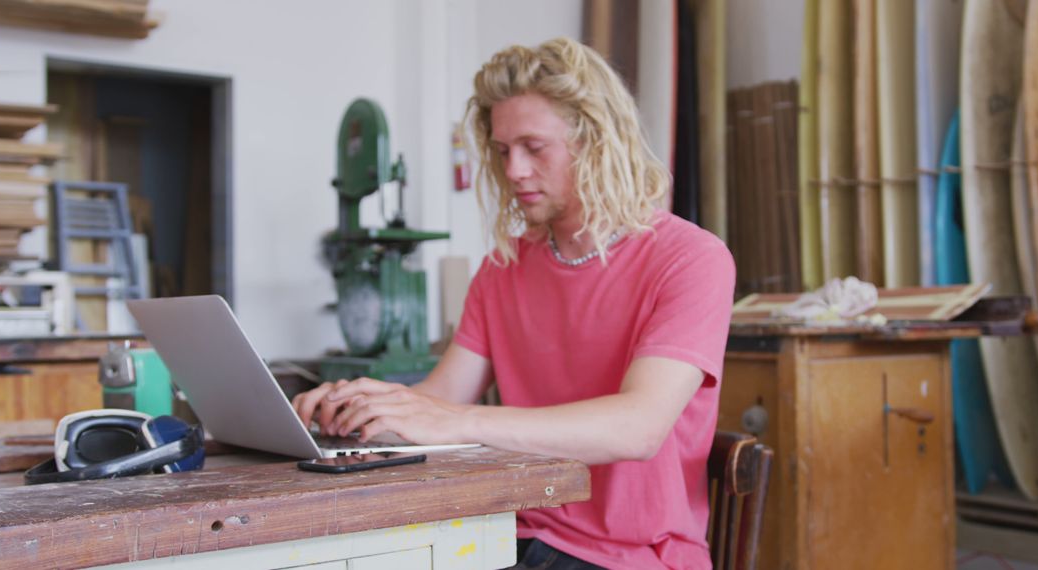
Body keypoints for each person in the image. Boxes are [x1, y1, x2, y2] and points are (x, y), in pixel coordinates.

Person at [292, 37, 735, 570]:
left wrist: (459, 421)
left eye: (534, 147)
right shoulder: (504, 266)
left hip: (629, 556)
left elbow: (637, 428)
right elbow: (439, 399)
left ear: (595, 140)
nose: (514, 170)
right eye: (502, 151)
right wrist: (364, 408)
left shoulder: (691, 259)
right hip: (507, 530)